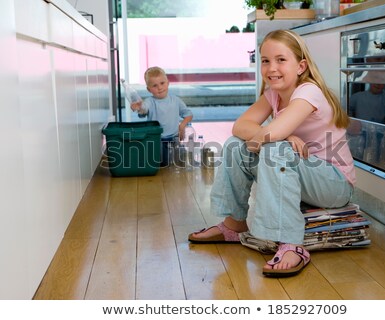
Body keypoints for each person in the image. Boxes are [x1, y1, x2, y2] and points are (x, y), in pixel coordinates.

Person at [188, 30, 356, 278]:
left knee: (274, 148)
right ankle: (234, 225)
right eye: (265, 60)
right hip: (303, 174)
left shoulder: (308, 92)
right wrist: (286, 136)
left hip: (333, 183)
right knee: (236, 145)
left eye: (280, 60)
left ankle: (291, 243)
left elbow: (270, 134)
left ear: (301, 66)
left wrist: (279, 135)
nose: (271, 68)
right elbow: (240, 127)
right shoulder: (273, 94)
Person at [131, 66, 193, 167]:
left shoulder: (176, 100)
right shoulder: (149, 102)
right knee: (159, 163)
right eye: (155, 86)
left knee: (177, 162)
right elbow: (144, 109)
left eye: (162, 83)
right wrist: (139, 107)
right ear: (149, 89)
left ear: (168, 83)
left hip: (174, 138)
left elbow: (188, 114)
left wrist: (182, 125)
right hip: (156, 139)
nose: (159, 87)